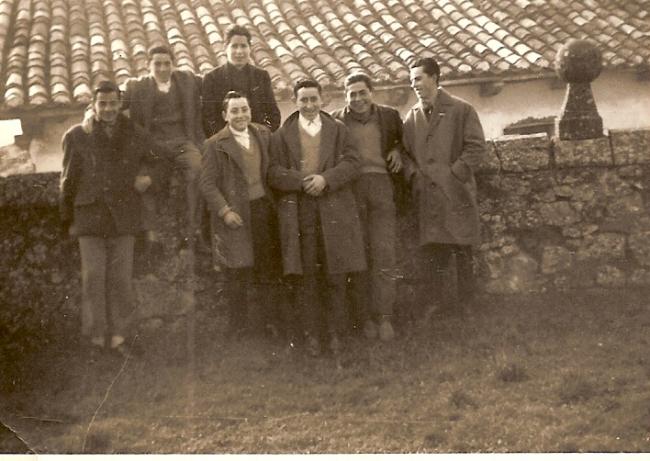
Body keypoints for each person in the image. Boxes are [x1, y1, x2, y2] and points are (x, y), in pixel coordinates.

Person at [60, 81, 160, 354]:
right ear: (93, 105)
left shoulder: (135, 133)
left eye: (113, 103)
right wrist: (67, 220)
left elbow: (160, 159)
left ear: (120, 104)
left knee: (121, 279)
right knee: (93, 277)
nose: (108, 109)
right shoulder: (77, 135)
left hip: (123, 215)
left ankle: (120, 337)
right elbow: (68, 181)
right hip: (90, 216)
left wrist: (149, 178)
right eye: (102, 103)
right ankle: (95, 338)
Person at [268, 79, 366, 356]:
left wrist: (326, 179)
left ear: (322, 100)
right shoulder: (281, 135)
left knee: (336, 274)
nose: (309, 105)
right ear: (295, 101)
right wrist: (302, 182)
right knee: (307, 275)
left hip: (334, 209)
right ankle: (312, 334)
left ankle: (336, 333)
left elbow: (353, 163)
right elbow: (273, 172)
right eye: (304, 100)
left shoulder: (338, 130)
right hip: (300, 213)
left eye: (313, 99)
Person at [84, 45, 205, 257]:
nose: (162, 68)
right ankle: (152, 238)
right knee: (144, 179)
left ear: (173, 64)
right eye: (157, 64)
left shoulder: (187, 80)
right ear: (148, 65)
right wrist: (89, 114)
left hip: (182, 143)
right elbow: (110, 100)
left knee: (197, 169)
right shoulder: (136, 86)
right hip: (153, 146)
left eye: (167, 63)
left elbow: (213, 84)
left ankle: (192, 231)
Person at [402, 57, 486, 317]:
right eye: (411, 80)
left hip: (454, 193)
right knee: (433, 251)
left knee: (462, 250)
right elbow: (405, 153)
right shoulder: (412, 116)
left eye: (419, 78)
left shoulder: (462, 109)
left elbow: (476, 147)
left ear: (435, 78)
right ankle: (436, 304)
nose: (414, 85)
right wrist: (413, 175)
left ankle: (467, 303)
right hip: (428, 197)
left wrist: (454, 175)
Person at [199, 91, 285, 338]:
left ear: (250, 111)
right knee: (236, 271)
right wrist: (225, 211)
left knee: (267, 267)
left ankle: (271, 323)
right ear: (225, 115)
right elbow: (207, 184)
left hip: (262, 210)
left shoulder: (263, 134)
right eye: (234, 111)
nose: (240, 115)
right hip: (235, 214)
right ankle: (239, 327)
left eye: (244, 109)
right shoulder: (215, 144)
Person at [331, 73, 405, 342]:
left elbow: (404, 142)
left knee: (384, 253)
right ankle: (364, 319)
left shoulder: (389, 116)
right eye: (352, 94)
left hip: (381, 188)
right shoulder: (336, 121)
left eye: (363, 92)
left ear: (371, 92)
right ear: (345, 97)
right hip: (351, 191)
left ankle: (384, 316)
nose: (358, 99)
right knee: (357, 255)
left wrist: (397, 150)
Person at [202, 25, 281, 137]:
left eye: (243, 46)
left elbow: (273, 115)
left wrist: (261, 136)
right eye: (234, 46)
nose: (239, 52)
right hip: (224, 140)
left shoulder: (261, 76)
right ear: (225, 47)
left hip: (258, 139)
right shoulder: (212, 78)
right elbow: (208, 119)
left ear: (250, 48)